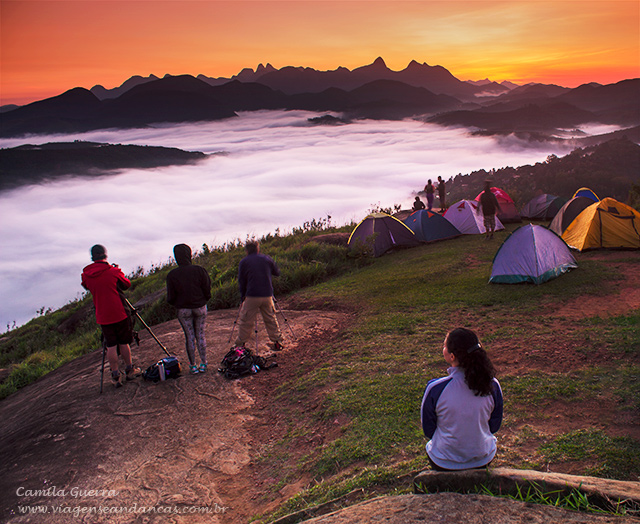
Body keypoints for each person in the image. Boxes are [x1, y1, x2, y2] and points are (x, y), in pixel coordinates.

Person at [420, 327, 503, 471]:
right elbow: (494, 426)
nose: (443, 348)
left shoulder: (435, 389)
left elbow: (429, 430)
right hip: (482, 458)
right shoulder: (492, 385)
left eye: (445, 345)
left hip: (443, 461)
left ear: (452, 356)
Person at [81, 245, 141, 388]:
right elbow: (126, 284)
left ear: (92, 257)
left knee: (111, 345)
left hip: (103, 315)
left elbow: (86, 286)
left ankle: (115, 376)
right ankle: (130, 370)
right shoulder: (113, 271)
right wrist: (117, 271)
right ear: (105, 255)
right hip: (119, 312)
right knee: (124, 342)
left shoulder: (86, 275)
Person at [166, 244, 212, 374]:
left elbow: (170, 297)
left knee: (190, 337)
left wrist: (178, 304)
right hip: (200, 307)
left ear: (176, 257)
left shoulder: (172, 275)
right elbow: (207, 288)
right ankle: (204, 363)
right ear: (189, 254)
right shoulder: (199, 270)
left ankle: (193, 366)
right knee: (201, 335)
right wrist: (204, 299)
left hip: (183, 309)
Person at [234, 241, 284, 352]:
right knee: (271, 318)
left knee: (246, 321)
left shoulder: (244, 262)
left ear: (247, 250)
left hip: (252, 295)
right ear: (257, 248)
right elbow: (277, 272)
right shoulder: (267, 259)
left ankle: (240, 345)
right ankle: (277, 342)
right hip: (267, 295)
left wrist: (242, 297)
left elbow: (241, 281)